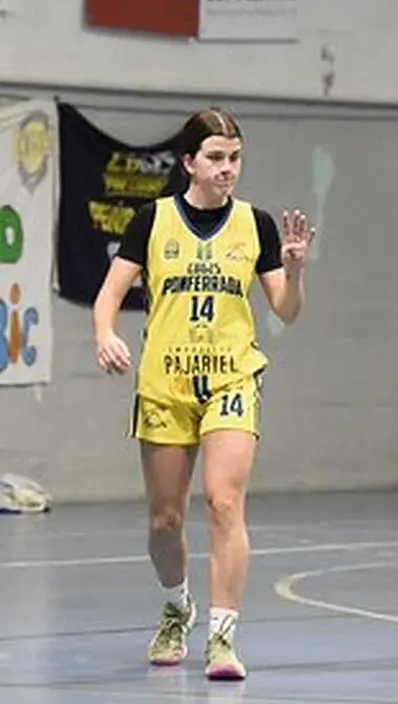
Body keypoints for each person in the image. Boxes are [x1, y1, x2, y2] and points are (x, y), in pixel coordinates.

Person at [92, 107, 312, 681]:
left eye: (235, 157)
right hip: (165, 384)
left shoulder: (256, 225)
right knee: (165, 521)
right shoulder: (153, 220)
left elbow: (285, 311)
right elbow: (109, 294)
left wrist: (295, 271)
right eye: (215, 157)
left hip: (233, 380)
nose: (227, 168)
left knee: (223, 501)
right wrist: (104, 333)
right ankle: (176, 607)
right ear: (189, 162)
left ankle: (222, 635)